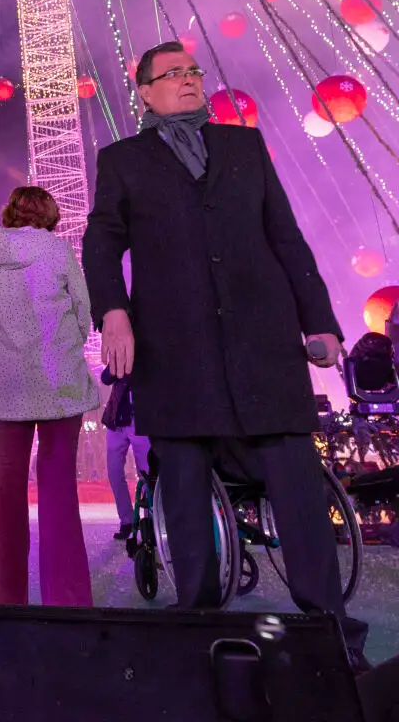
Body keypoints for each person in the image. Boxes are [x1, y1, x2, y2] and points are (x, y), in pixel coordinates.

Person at [83, 40, 368, 665]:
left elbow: (287, 238)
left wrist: (320, 323)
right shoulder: (123, 160)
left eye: (194, 71)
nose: (188, 80)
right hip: (173, 348)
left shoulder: (243, 147)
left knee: (297, 486)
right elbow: (100, 244)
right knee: (183, 489)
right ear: (145, 92)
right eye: (172, 74)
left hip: (263, 341)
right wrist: (113, 312)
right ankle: (198, 625)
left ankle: (329, 629)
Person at [0, 186, 99, 608]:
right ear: (49, 213)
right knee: (59, 490)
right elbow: (83, 311)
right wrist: (64, 347)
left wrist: (7, 353)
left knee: (4, 495)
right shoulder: (59, 251)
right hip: (59, 384)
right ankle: (67, 604)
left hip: (8, 386)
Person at [100, 369, 151, 541]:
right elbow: (105, 378)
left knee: (146, 475)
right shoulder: (120, 356)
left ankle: (150, 522)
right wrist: (118, 364)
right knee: (114, 472)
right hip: (116, 422)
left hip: (141, 421)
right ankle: (126, 521)